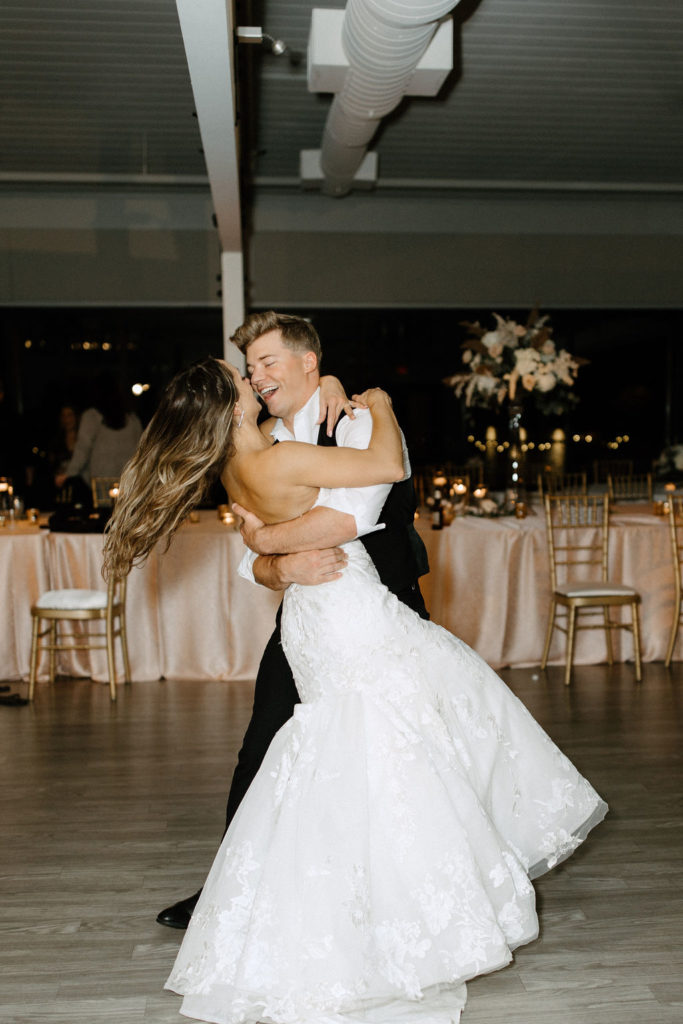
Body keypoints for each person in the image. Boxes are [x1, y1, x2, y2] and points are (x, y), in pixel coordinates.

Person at [103, 355, 607, 1024]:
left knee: (362, 750)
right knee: (396, 747)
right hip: (344, 613)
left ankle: (361, 898)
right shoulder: (279, 462)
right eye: (240, 377)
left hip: (318, 618)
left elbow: (265, 534)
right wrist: (385, 406)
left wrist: (274, 546)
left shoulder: (241, 465)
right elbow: (389, 466)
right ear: (230, 406)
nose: (253, 380)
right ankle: (401, 913)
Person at [156, 312, 429, 930]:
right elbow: (247, 562)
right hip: (311, 619)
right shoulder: (258, 440)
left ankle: (402, 878)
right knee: (264, 743)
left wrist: (269, 543)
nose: (258, 378)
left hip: (381, 609)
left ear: (310, 362)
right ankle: (230, 888)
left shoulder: (356, 422)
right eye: (250, 369)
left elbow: (346, 523)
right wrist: (279, 569)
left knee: (403, 748)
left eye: (268, 363)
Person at [55, 373, 142, 490]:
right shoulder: (132, 419)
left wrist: (68, 473)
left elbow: (83, 448)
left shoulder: (92, 417)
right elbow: (141, 450)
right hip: (127, 482)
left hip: (100, 483)